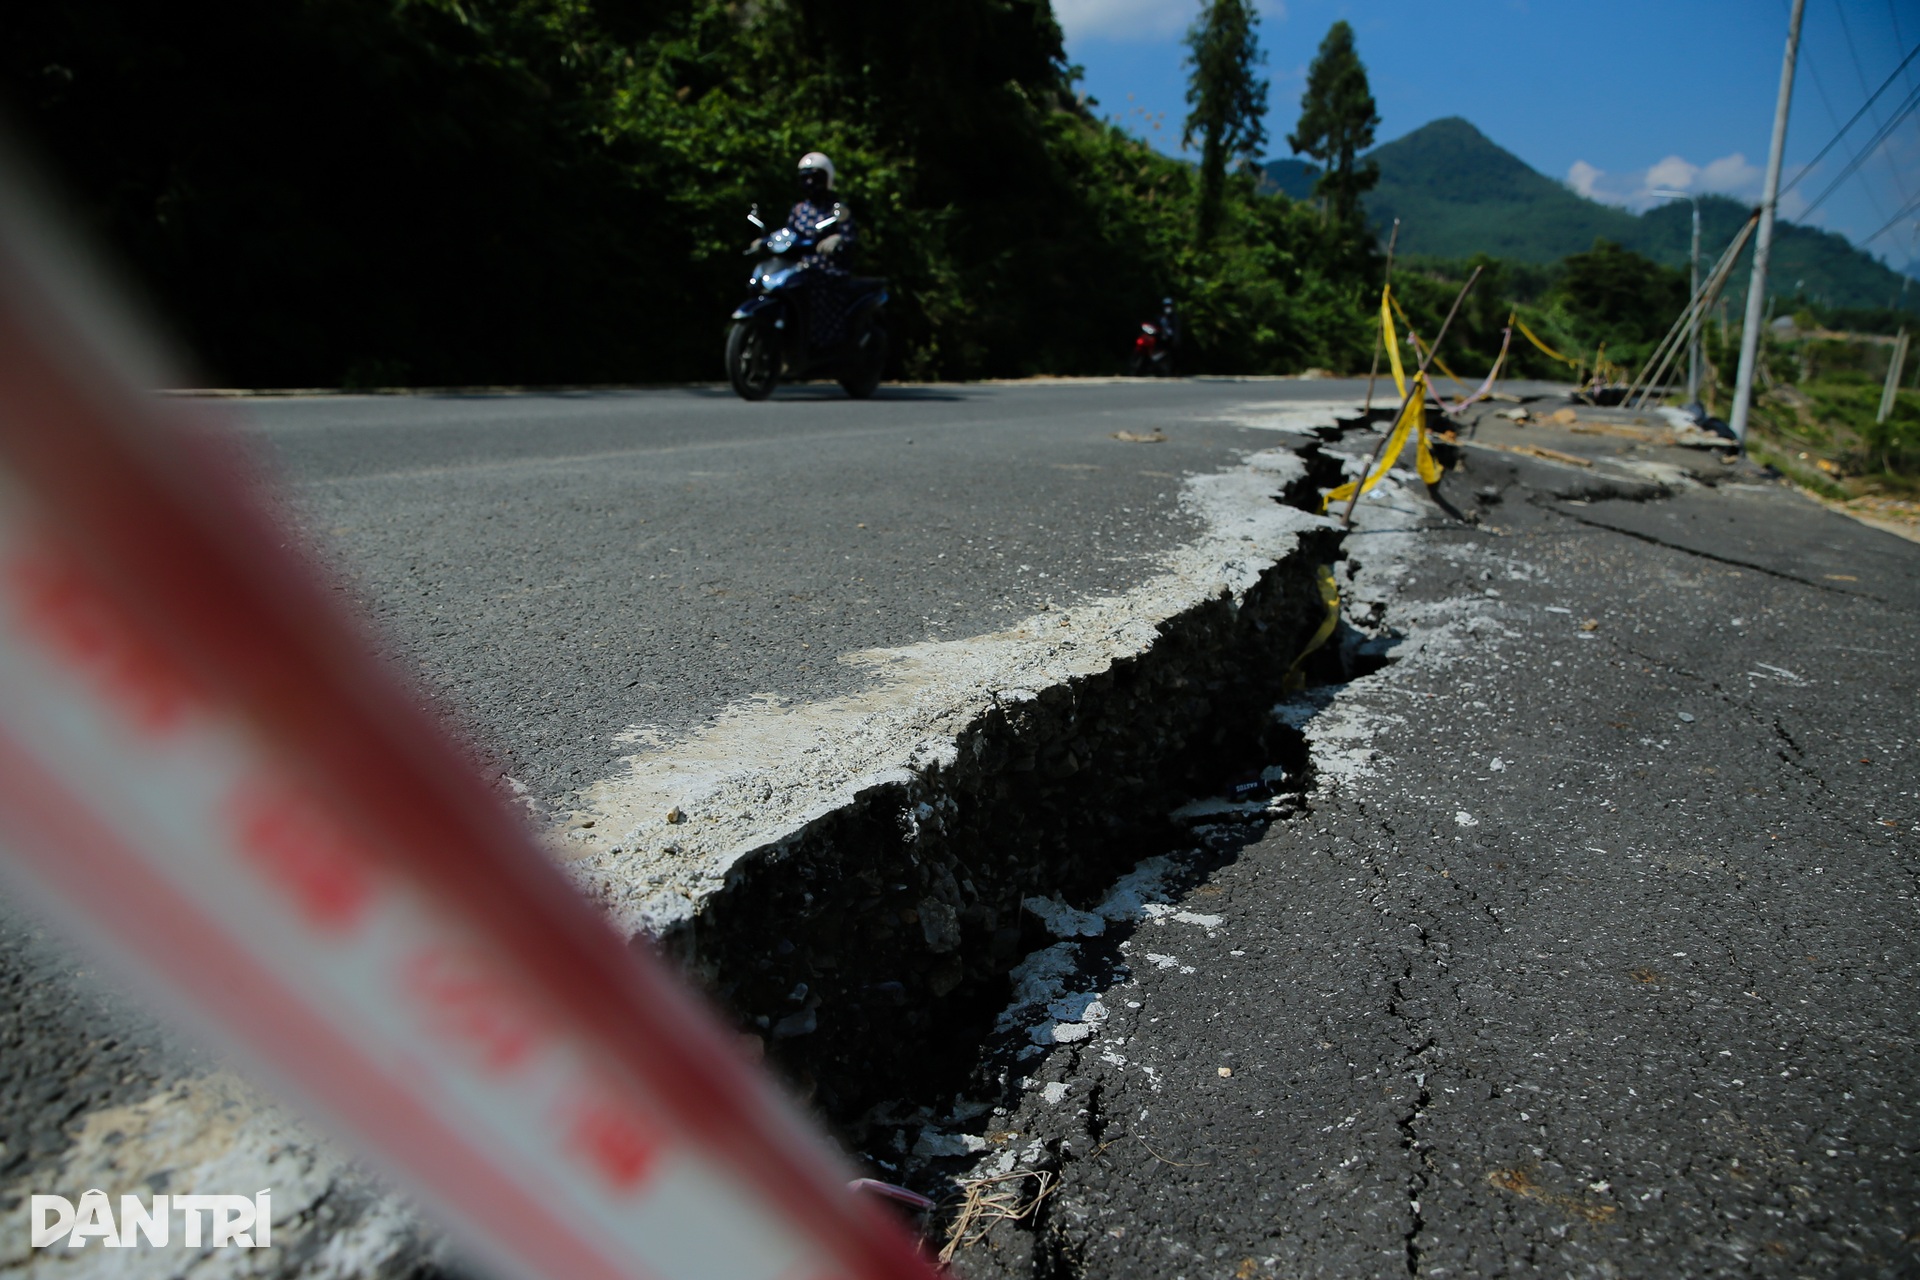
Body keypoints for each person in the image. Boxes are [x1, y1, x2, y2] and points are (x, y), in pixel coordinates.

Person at [788, 152, 860, 346]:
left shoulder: (836, 208)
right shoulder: (798, 209)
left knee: (821, 294)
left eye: (815, 178)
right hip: (801, 268)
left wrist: (838, 239)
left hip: (829, 269)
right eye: (806, 178)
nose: (810, 183)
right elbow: (789, 233)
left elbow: (849, 235)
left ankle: (827, 346)